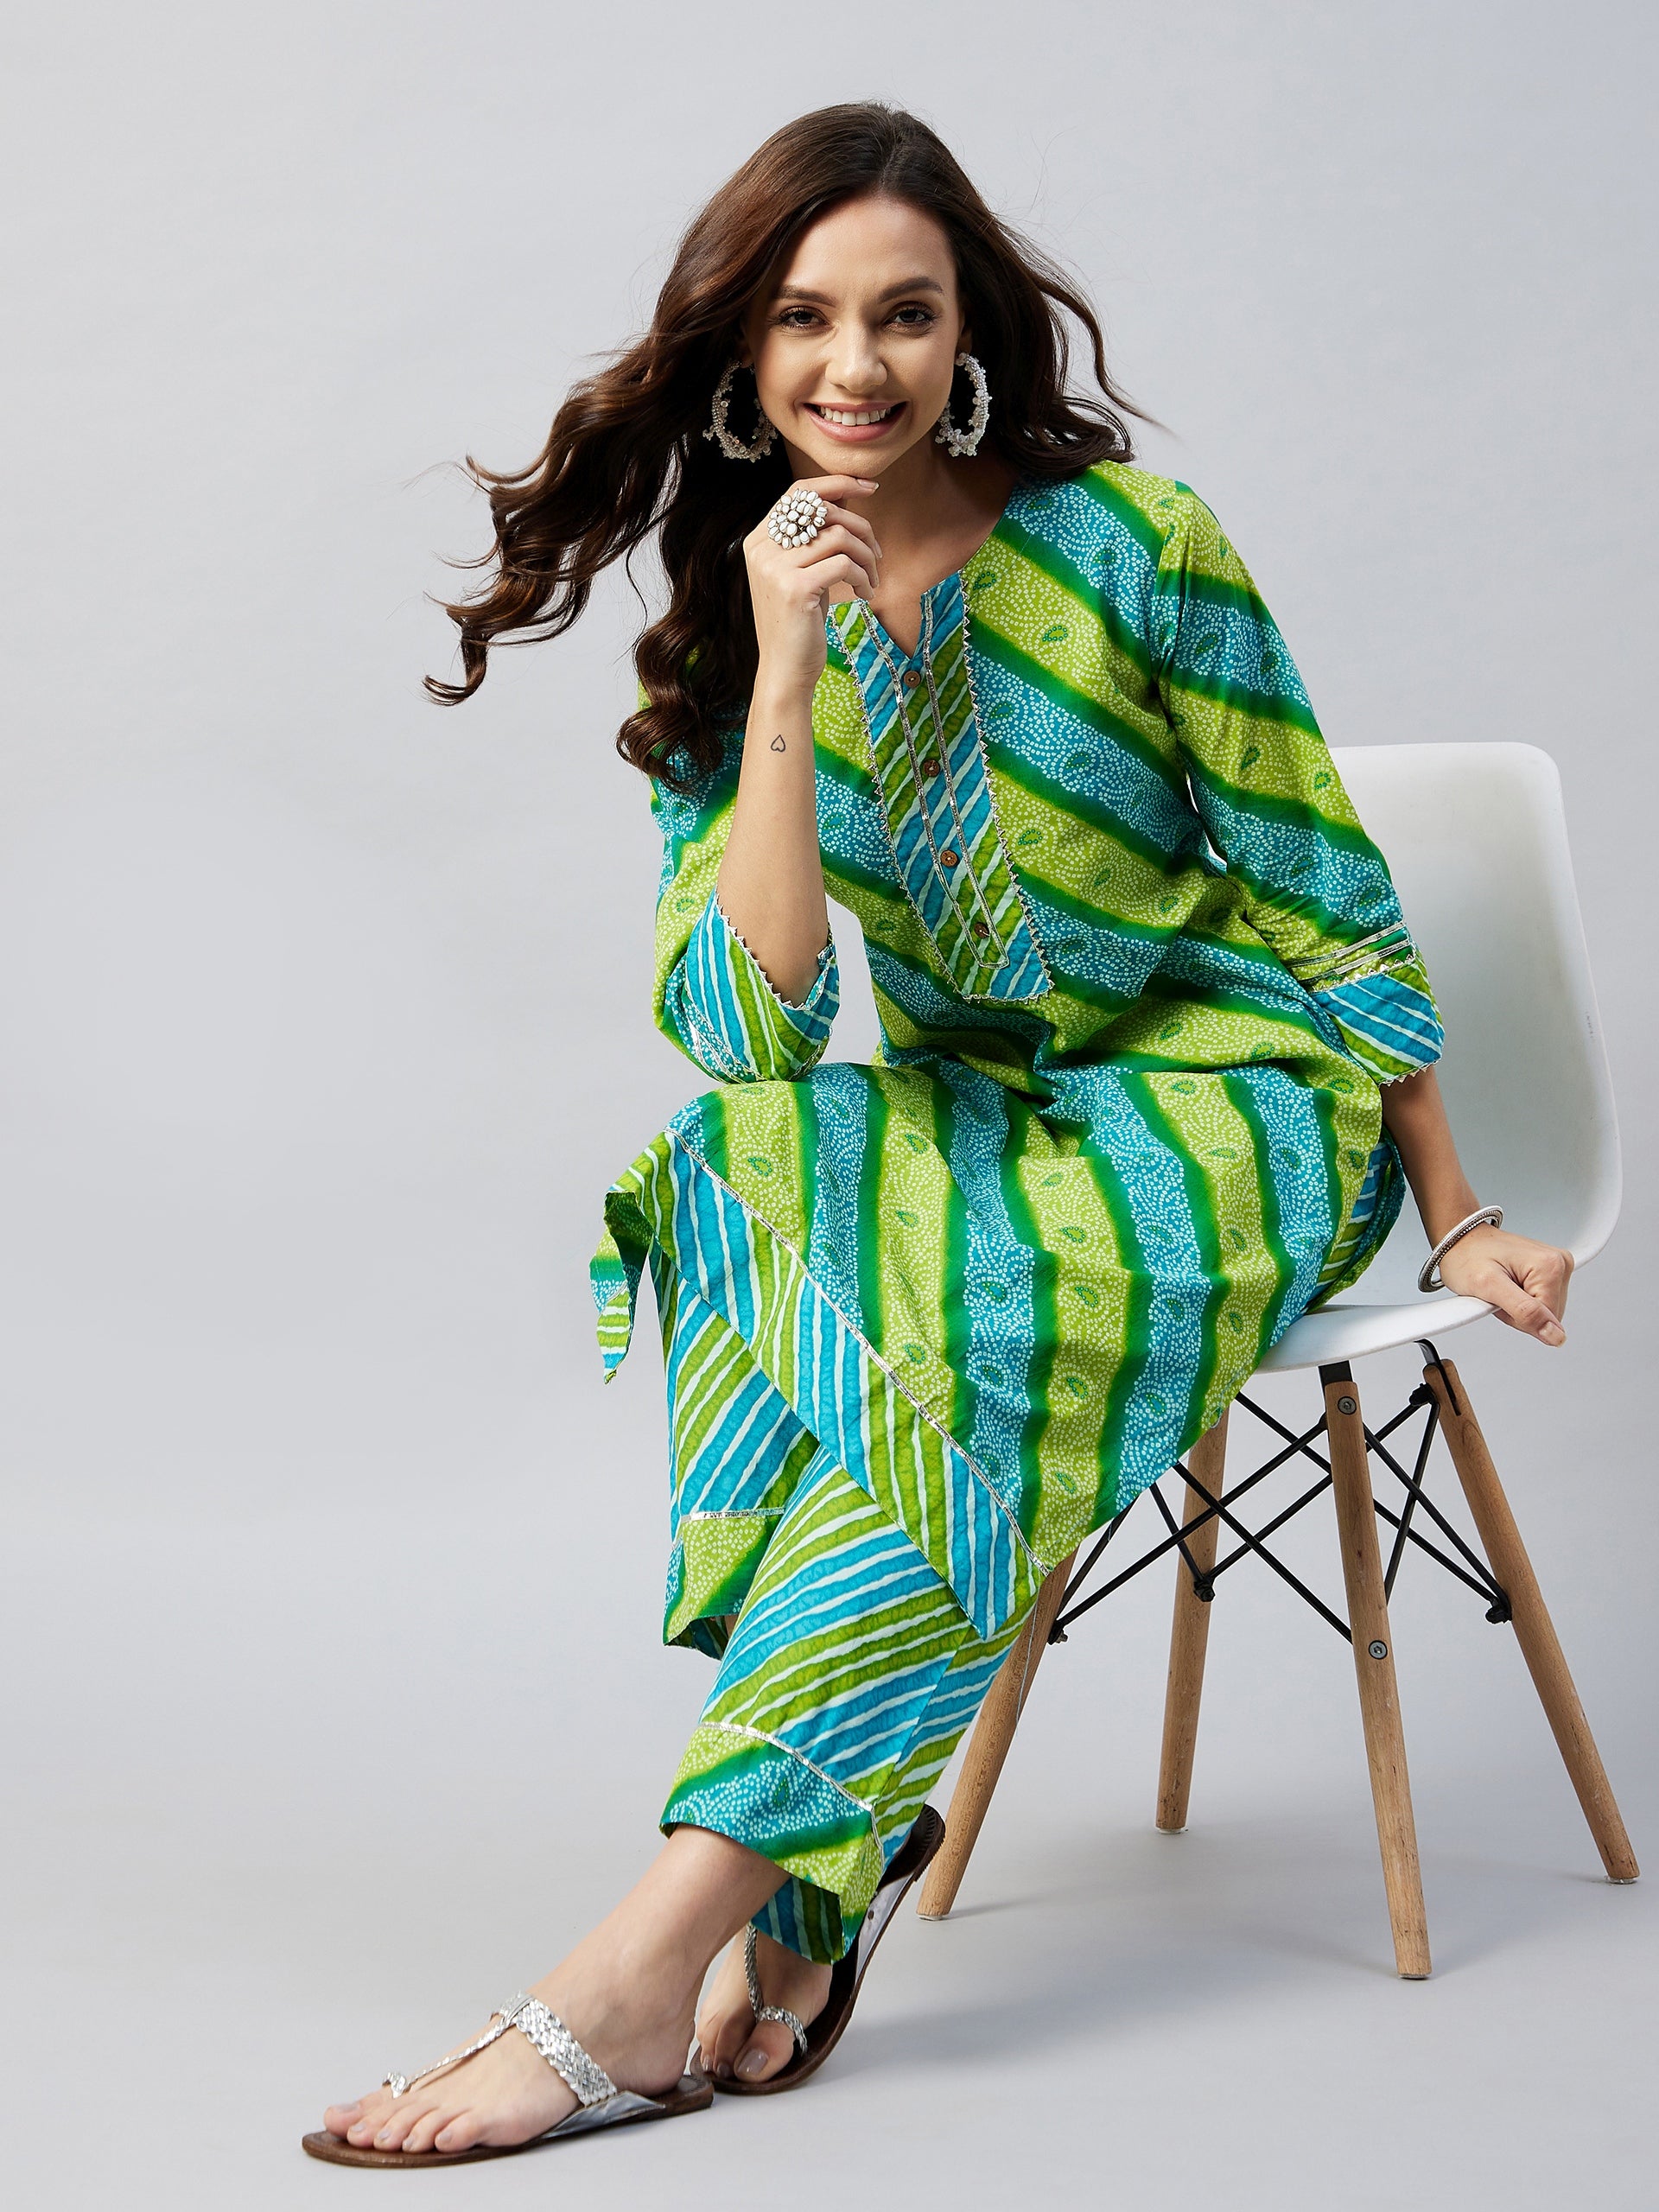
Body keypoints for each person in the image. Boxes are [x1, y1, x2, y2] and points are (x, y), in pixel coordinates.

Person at [307, 102, 1572, 2170]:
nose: (856, 364)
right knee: (726, 1173)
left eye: (904, 313)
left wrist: (1458, 1210)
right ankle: (815, 1873)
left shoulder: (1138, 543)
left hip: (1241, 1101)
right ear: (743, 352)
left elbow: (1323, 890)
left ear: (969, 326)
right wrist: (785, 668)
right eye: (805, 318)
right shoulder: (737, 627)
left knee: (979, 1307)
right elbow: (756, 1028)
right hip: (993, 1111)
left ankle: (672, 1945)